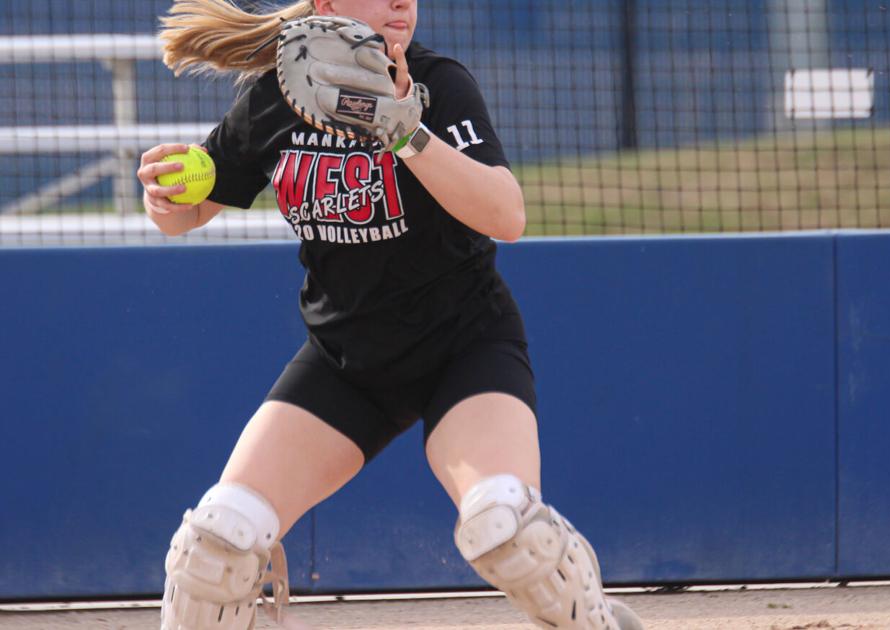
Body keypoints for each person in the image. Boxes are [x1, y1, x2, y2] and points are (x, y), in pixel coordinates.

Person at [138, 1, 643, 628]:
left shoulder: (439, 85)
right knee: (214, 548)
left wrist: (406, 130)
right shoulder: (284, 90)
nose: (402, 2)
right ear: (325, 5)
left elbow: (507, 216)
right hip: (345, 362)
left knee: (506, 527)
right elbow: (190, 209)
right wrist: (164, 194)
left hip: (462, 348)